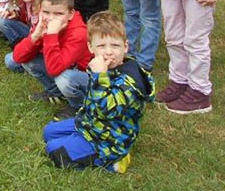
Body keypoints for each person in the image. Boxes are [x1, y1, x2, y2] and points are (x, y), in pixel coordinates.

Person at [43, 11, 155, 173]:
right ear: (91, 47)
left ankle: (114, 162)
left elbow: (107, 111)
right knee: (49, 132)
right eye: (101, 46)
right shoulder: (104, 67)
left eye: (115, 45)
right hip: (91, 124)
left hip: (110, 140)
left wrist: (100, 77)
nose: (108, 52)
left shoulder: (130, 81)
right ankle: (79, 140)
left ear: (125, 46)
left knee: (54, 150)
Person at [10, 0, 92, 119]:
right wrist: (35, 36)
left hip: (87, 78)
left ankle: (79, 105)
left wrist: (51, 35)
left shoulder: (79, 33)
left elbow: (54, 69)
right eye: (46, 12)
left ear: (70, 14)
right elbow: (17, 57)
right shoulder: (44, 22)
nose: (51, 18)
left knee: (64, 79)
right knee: (28, 60)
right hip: (64, 66)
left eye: (58, 13)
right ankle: (56, 93)